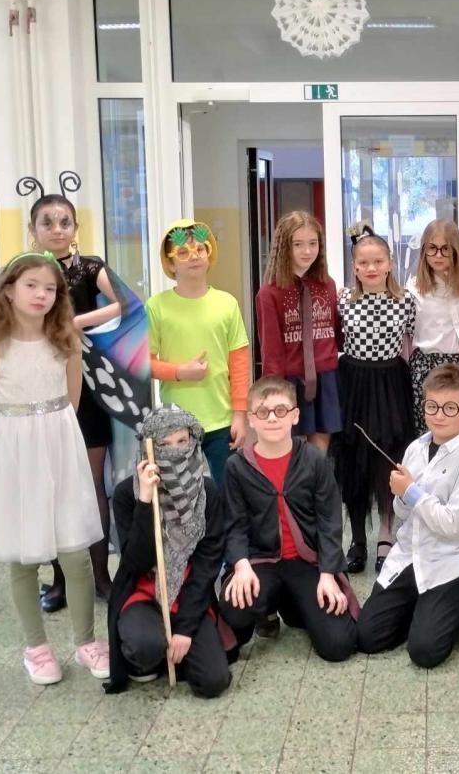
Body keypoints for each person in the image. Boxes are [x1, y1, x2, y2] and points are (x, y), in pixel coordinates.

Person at [0, 252, 109, 685]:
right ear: (8, 290)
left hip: (59, 451)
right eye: (31, 285)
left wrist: (52, 441)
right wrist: (4, 466)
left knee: (75, 554)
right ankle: (36, 648)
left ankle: (86, 641)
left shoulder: (65, 344)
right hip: (14, 458)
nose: (41, 295)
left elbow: (71, 401)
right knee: (23, 556)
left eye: (50, 288)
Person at [357, 364, 459, 668]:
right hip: (411, 554)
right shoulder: (416, 448)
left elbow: (453, 525)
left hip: (450, 559)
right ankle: (423, 608)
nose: (439, 415)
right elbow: (403, 514)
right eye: (432, 406)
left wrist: (411, 492)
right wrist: (401, 495)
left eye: (450, 407)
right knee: (367, 637)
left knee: (425, 652)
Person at [220, 376, 358, 662]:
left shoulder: (314, 460)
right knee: (235, 612)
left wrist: (328, 575)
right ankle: (267, 608)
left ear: (295, 416)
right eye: (263, 412)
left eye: (281, 410)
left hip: (308, 563)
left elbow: (330, 522)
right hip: (261, 561)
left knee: (338, 645)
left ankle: (293, 605)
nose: (272, 418)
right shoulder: (237, 467)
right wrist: (241, 566)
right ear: (251, 419)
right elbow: (234, 524)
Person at [27, 193, 118, 609]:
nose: (57, 229)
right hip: (41, 388)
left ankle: (101, 577)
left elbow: (123, 305)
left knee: (92, 484)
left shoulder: (91, 267)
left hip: (89, 388)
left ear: (76, 228)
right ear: (33, 229)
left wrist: (75, 322)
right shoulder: (25, 272)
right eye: (47, 222)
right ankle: (60, 581)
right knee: (52, 487)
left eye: (65, 222)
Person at [105, 405, 232, 697]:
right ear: (149, 449)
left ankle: (175, 646)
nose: (175, 451)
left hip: (189, 593)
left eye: (182, 441)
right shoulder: (127, 494)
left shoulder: (207, 493)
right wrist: (145, 502)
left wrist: (185, 629)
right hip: (144, 592)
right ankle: (149, 653)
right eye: (164, 444)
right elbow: (136, 562)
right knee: (145, 646)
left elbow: (207, 566)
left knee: (214, 681)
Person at [330, 227, 418, 575]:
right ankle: (356, 539)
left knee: (388, 459)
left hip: (390, 384)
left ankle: (385, 535)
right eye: (364, 263)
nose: (371, 268)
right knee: (353, 461)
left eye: (378, 261)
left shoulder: (406, 300)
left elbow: (414, 340)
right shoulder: (343, 299)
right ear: (354, 266)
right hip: (353, 383)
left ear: (389, 263)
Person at [146, 220, 251, 485]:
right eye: (182, 252)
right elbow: (144, 364)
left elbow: (239, 363)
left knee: (227, 491)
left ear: (209, 254)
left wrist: (240, 413)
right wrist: (180, 372)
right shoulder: (156, 307)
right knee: (181, 493)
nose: (193, 257)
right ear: (170, 263)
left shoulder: (227, 303)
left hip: (222, 420)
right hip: (176, 425)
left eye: (200, 249)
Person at [256, 210, 342, 452]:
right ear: (285, 247)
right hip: (290, 380)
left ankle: (318, 477)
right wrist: (273, 391)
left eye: (313, 243)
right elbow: (271, 348)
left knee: (321, 448)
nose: (307, 251)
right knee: (290, 447)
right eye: (298, 244)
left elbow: (336, 332)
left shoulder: (328, 285)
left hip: (326, 378)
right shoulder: (269, 293)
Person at [409, 218, 459, 434]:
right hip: (427, 366)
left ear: (456, 251)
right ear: (424, 251)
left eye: (445, 249)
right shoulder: (413, 288)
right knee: (429, 430)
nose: (439, 255)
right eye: (432, 248)